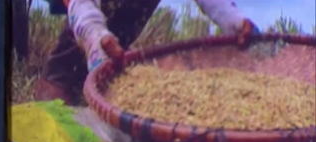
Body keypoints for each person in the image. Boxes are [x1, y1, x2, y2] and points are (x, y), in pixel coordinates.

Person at [35, 0, 259, 104]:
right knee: (57, 97)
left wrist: (233, 20)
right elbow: (81, 4)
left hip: (116, 52)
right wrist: (95, 39)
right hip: (82, 38)